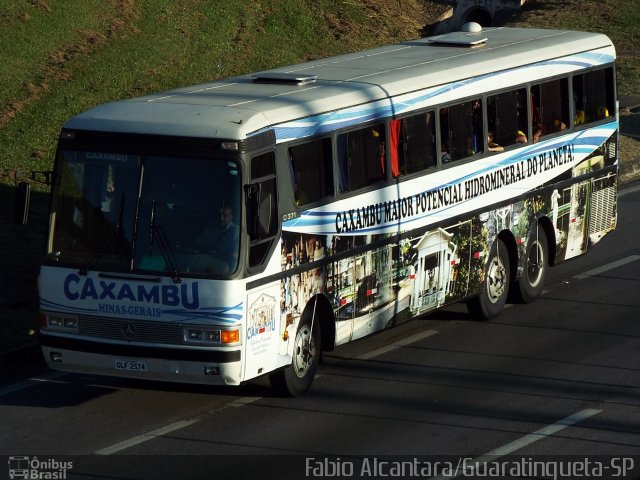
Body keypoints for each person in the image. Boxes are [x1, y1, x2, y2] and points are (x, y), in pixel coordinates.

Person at [194, 205, 239, 273]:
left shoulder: (237, 232)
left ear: (231, 216)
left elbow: (236, 254)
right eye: (220, 215)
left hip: (225, 265)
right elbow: (199, 244)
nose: (221, 218)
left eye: (224, 216)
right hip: (207, 260)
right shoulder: (209, 228)